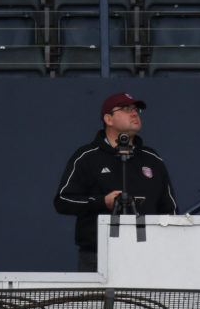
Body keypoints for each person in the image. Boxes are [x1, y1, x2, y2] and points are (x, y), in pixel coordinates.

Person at [54, 92, 179, 272]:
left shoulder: (152, 158)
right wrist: (102, 202)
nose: (134, 113)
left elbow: (170, 209)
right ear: (108, 119)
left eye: (136, 110)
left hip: (148, 253)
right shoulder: (87, 157)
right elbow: (63, 201)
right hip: (98, 255)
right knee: (98, 302)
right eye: (126, 109)